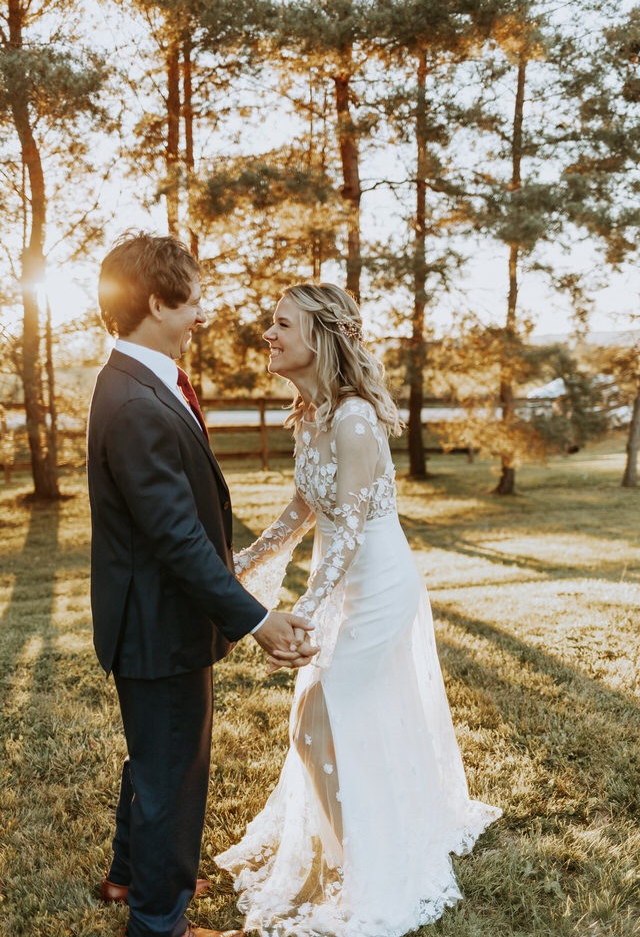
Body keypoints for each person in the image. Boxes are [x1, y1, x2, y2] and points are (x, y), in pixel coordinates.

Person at [215, 282, 502, 937]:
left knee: (322, 717)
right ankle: (359, 852)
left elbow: (345, 529)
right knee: (322, 723)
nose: (268, 334)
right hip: (338, 581)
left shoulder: (352, 418)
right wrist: (241, 565)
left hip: (376, 587)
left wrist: (305, 611)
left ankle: (368, 871)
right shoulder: (311, 414)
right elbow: (301, 511)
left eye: (281, 324)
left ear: (318, 336)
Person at [87, 232, 316, 937]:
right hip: (159, 624)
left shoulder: (142, 380)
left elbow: (186, 516)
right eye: (194, 298)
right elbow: (175, 538)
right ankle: (160, 923)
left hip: (153, 616)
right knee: (172, 776)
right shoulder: (134, 401)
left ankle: (129, 878)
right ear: (158, 301)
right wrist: (255, 618)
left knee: (153, 758)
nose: (202, 314)